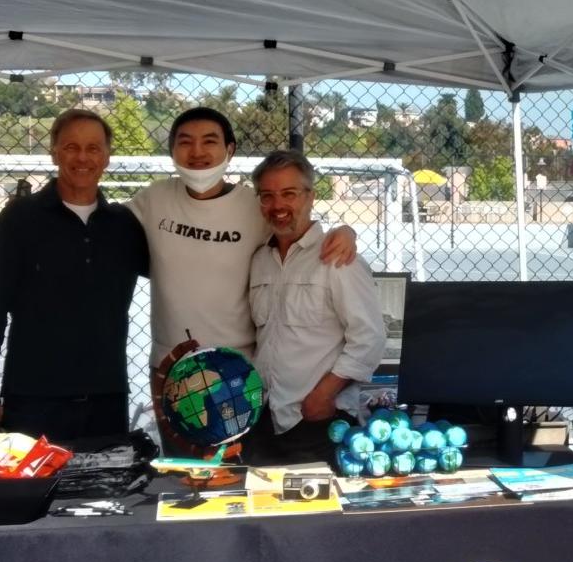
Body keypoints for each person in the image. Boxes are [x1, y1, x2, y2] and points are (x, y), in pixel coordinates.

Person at [128, 107, 357, 445]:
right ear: (172, 150)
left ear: (229, 150)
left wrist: (346, 231)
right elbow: (106, 232)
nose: (197, 152)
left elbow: (296, 227)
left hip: (237, 371)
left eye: (210, 141)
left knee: (236, 478)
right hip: (172, 365)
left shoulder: (253, 205)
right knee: (185, 477)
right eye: (185, 142)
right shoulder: (153, 199)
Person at [0, 108, 148, 441]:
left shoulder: (124, 224)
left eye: (93, 148)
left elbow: (176, 272)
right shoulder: (18, 221)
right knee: (31, 494)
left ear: (107, 157)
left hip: (107, 398)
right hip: (34, 399)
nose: (83, 157)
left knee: (104, 492)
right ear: (54, 152)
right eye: (71, 147)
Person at [245, 150, 385, 463]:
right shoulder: (258, 262)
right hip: (265, 420)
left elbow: (370, 338)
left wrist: (324, 394)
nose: (278, 205)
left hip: (317, 420)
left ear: (311, 197)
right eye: (267, 196)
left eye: (289, 194)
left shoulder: (338, 259)